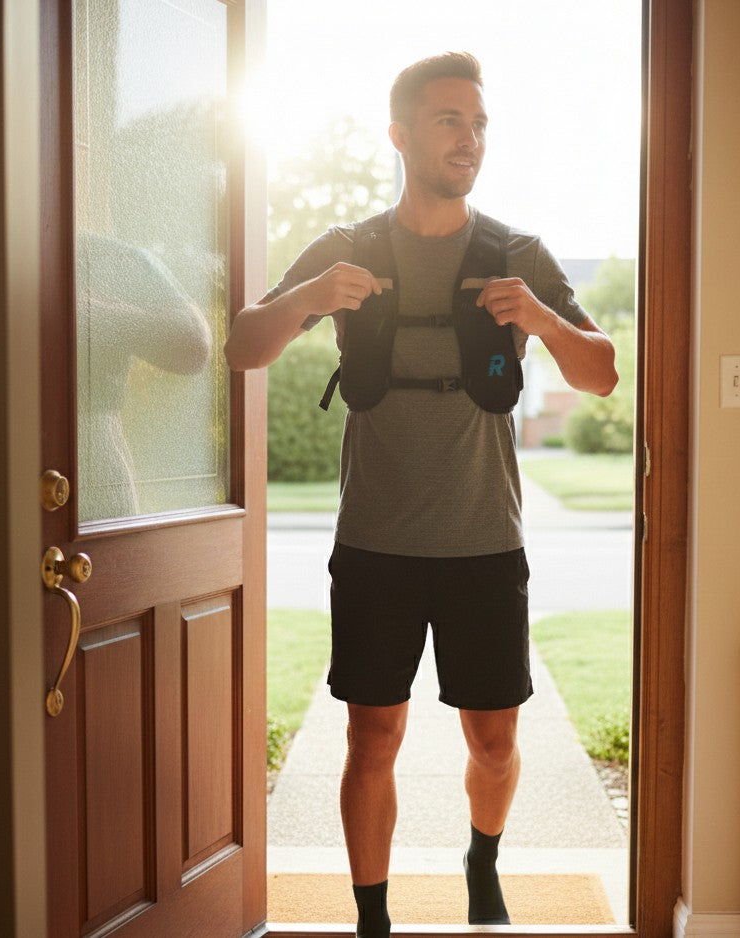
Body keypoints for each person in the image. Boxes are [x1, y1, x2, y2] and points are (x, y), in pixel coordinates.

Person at [225, 52, 618, 937]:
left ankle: (482, 858)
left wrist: (545, 319)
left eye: (478, 124)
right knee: (373, 740)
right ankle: (373, 920)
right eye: (449, 121)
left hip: (484, 539)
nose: (468, 139)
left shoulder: (519, 252)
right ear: (400, 135)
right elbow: (244, 346)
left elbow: (601, 377)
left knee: (495, 742)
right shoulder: (349, 247)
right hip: (376, 542)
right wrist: (311, 299)